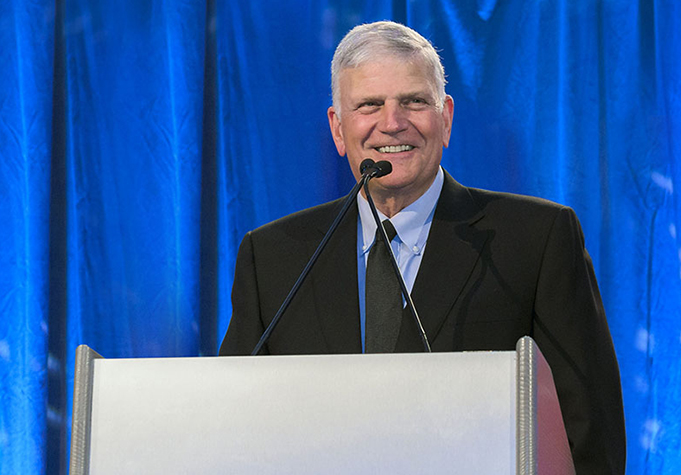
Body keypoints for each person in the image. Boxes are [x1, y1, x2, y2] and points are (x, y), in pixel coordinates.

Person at [220, 21, 626, 474]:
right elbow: (233, 424)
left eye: (414, 101)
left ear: (446, 117)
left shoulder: (537, 238)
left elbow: (589, 431)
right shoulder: (273, 257)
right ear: (338, 129)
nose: (392, 123)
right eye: (369, 105)